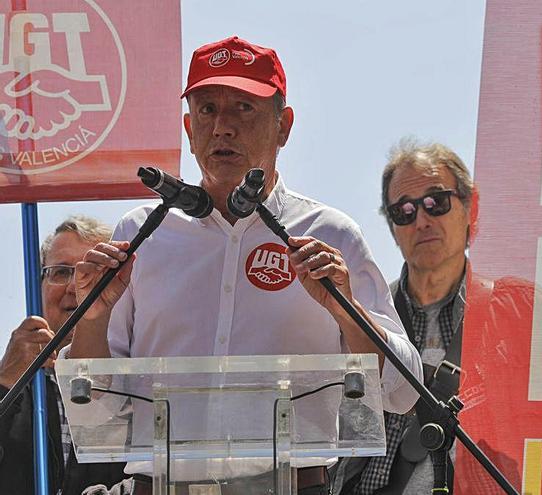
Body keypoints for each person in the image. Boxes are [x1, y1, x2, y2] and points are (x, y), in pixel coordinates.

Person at [69, 37, 422, 495]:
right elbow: (93, 409)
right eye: (207, 110)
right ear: (188, 127)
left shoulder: (331, 233)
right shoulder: (140, 233)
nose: (223, 127)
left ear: (284, 125)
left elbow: (403, 390)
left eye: (243, 108)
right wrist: (92, 317)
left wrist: (345, 307)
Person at [338, 140, 542, 494]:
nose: (422, 220)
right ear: (393, 227)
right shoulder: (367, 318)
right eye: (404, 211)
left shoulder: (524, 310)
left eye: (436, 202)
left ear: (471, 208)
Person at [0, 216, 127, 495]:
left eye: (92, 273)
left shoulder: (135, 383)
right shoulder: (11, 376)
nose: (74, 286)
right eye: (60, 272)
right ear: (40, 285)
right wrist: (5, 382)